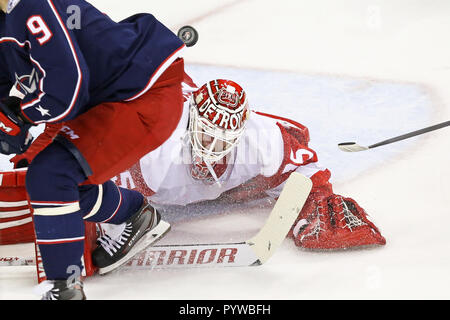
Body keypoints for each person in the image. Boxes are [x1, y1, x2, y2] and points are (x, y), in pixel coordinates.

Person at [4, 76, 386, 279]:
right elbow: (90, 173)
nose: (215, 145)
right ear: (191, 123)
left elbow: (303, 163)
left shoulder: (259, 140)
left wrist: (315, 199)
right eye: (207, 134)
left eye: (226, 138)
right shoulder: (158, 149)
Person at [0, 0, 187, 299]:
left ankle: (64, 290)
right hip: (107, 101)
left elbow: (69, 86)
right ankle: (135, 214)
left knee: (51, 177)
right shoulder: (9, 18)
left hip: (142, 97)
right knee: (49, 178)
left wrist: (22, 116)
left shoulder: (31, 7)